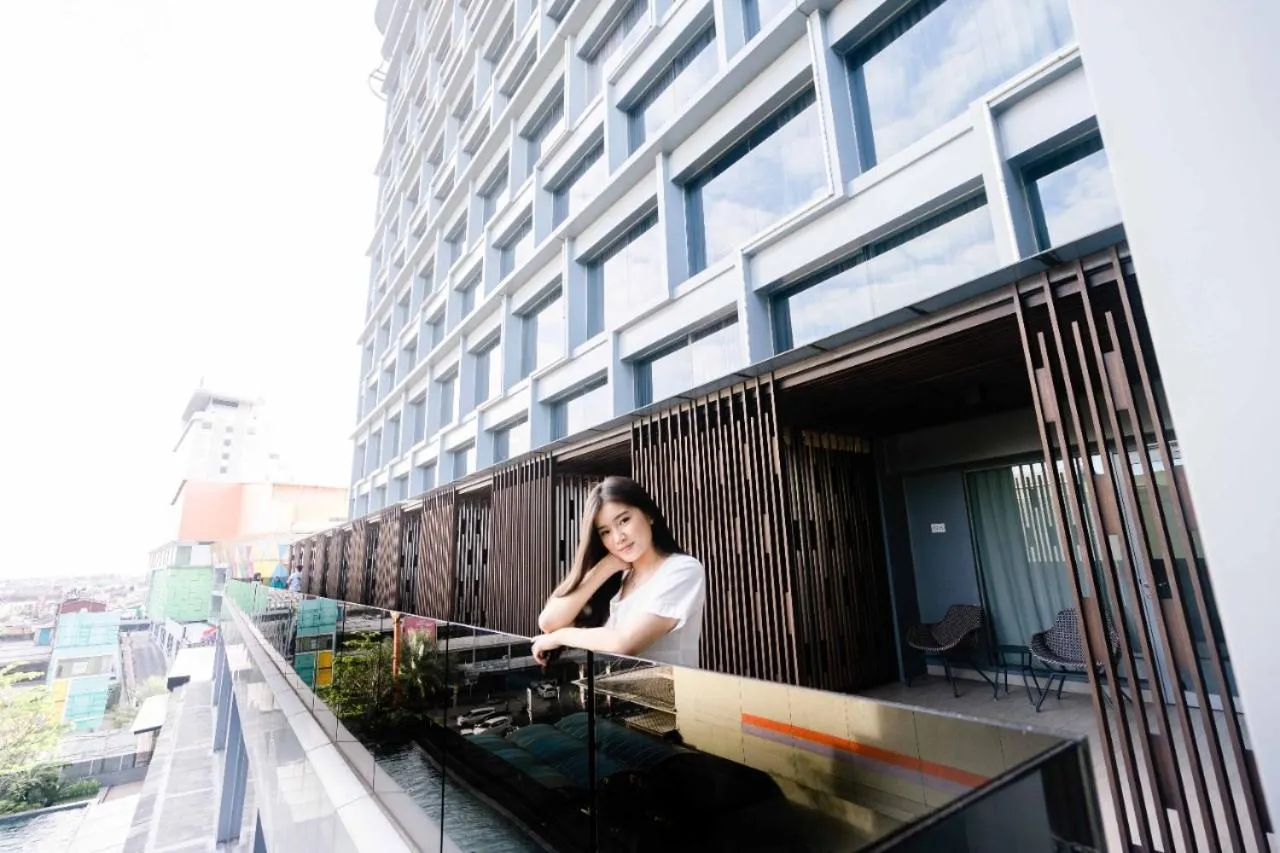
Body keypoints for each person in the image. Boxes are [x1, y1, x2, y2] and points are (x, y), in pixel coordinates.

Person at [533, 476, 706, 668]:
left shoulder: (682, 570)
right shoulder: (618, 578)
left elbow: (624, 643)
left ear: (649, 514)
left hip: (670, 696)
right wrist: (605, 567)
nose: (618, 537)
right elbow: (548, 622)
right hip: (616, 695)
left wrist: (560, 636)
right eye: (605, 532)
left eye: (624, 520)